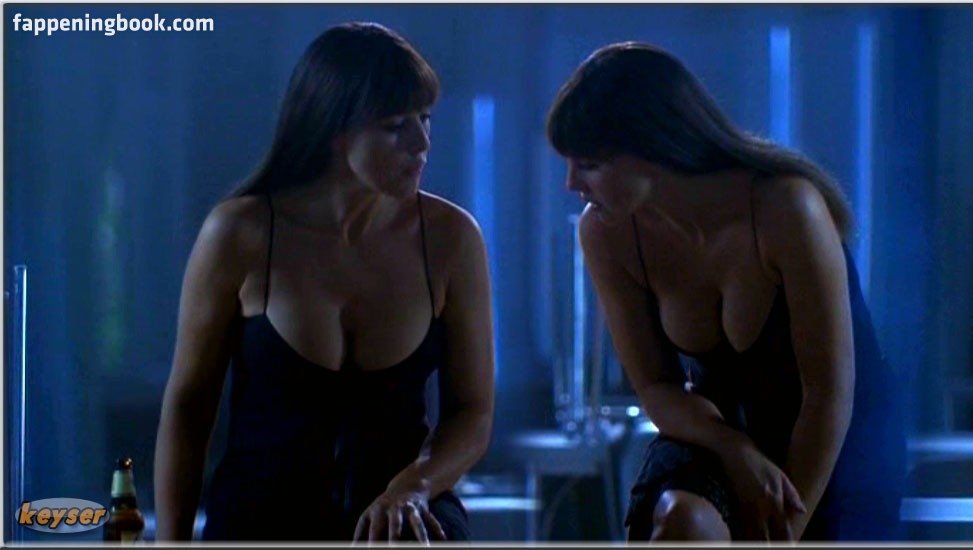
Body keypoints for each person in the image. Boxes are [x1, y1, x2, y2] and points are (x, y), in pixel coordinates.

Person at [546, 42, 905, 542]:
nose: (571, 183)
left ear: (652, 147)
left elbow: (827, 393)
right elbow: (657, 388)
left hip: (834, 435)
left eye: (589, 164)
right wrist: (734, 449)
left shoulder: (786, 207)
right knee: (683, 524)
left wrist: (783, 533)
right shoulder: (607, 231)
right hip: (714, 433)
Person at [154, 22, 495, 543]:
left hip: (403, 523)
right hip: (261, 524)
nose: (422, 143)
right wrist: (172, 541)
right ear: (335, 131)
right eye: (396, 126)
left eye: (425, 119)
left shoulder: (451, 238)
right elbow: (189, 409)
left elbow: (473, 411)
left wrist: (415, 486)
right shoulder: (241, 233)